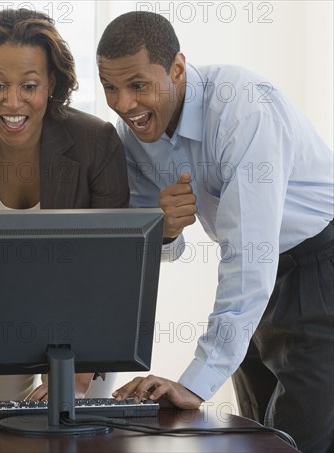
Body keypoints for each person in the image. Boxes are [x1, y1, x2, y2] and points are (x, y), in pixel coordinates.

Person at [96, 11, 334, 452]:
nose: (124, 104)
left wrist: (196, 382)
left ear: (178, 70)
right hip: (258, 291)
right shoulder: (132, 137)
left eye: (137, 85)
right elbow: (160, 248)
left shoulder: (243, 109)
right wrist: (162, 230)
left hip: (320, 270)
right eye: (110, 87)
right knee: (256, 439)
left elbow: (249, 252)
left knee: (301, 442)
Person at [0, 8, 130, 402]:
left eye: (29, 86)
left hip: (82, 320)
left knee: (80, 429)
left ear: (52, 84)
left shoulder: (96, 142)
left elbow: (113, 266)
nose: (13, 102)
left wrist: (78, 377)